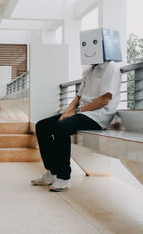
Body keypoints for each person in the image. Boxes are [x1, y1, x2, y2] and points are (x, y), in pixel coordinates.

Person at [31, 28, 122, 192]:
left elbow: (104, 100)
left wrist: (77, 111)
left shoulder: (112, 68)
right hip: (82, 112)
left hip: (97, 117)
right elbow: (78, 97)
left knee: (61, 128)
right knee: (42, 125)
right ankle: (52, 172)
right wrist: (67, 112)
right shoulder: (89, 70)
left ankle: (64, 177)